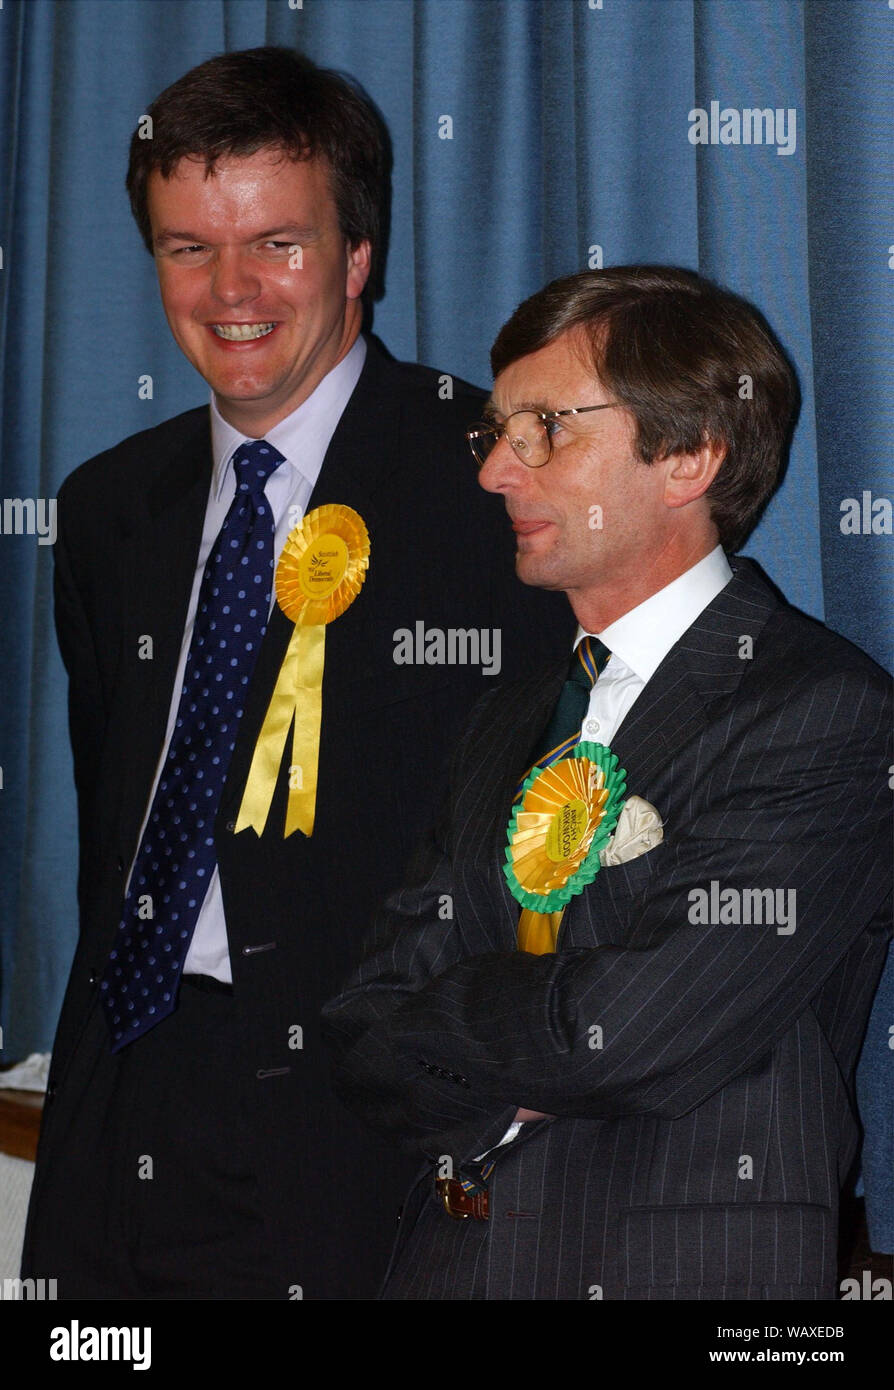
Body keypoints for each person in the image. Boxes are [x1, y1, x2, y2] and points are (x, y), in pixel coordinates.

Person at [21, 46, 569, 1300]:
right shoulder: (110, 509)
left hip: (360, 1127)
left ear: (359, 256)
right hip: (125, 1087)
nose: (231, 291)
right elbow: (119, 814)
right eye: (186, 247)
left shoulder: (501, 485)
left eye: (278, 242)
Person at [324, 265, 893, 1300]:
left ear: (688, 455)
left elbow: (625, 1035)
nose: (498, 468)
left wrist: (456, 1018)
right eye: (496, 432)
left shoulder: (823, 714)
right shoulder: (510, 708)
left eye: (545, 427)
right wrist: (505, 1070)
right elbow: (364, 1023)